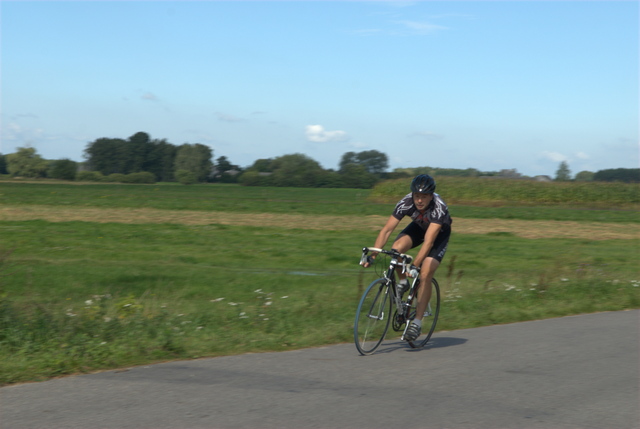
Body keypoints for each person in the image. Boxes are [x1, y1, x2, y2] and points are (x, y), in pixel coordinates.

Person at [362, 174, 452, 341]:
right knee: (396, 250)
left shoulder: (439, 207)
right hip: (418, 227)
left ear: (431, 196)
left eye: (424, 196)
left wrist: (414, 265)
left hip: (437, 235)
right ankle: (403, 283)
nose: (419, 200)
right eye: (416, 196)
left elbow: (429, 242)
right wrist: (373, 255)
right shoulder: (406, 202)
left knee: (425, 272)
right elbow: (387, 230)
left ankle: (416, 323)